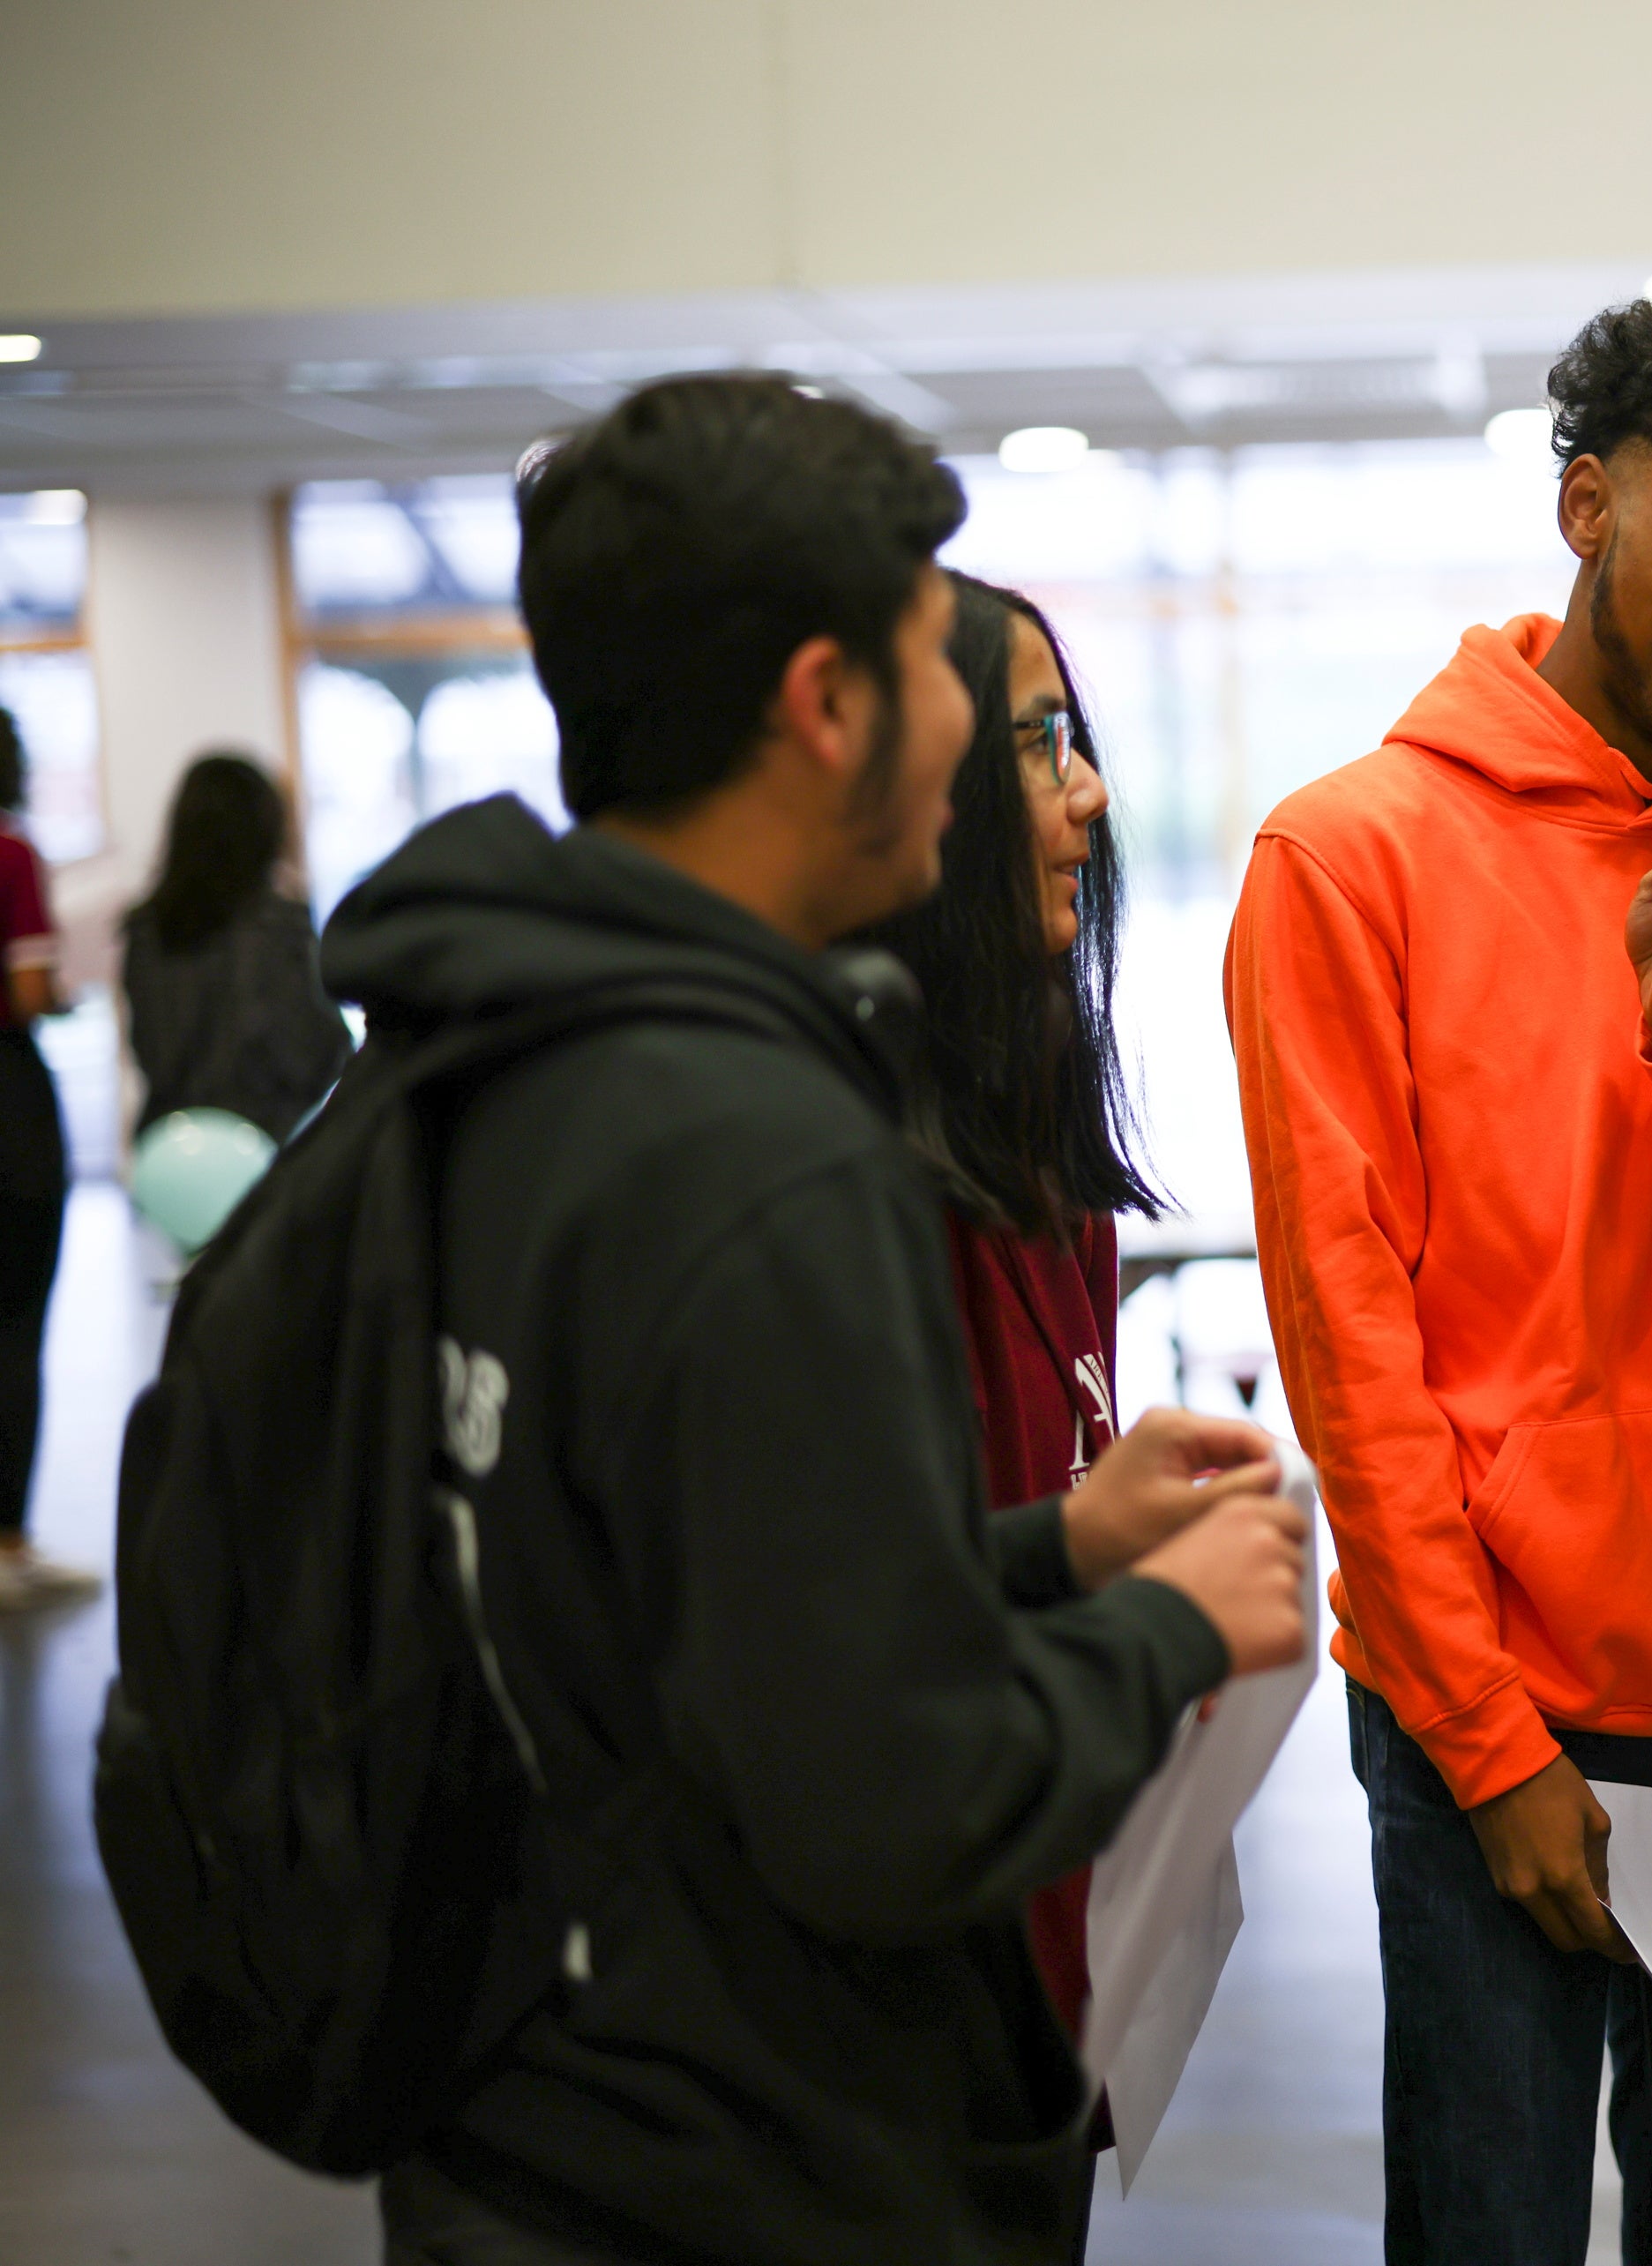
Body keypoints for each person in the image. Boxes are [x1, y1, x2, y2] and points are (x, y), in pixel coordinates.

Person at [318, 372, 1310, 2265]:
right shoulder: (766, 1157)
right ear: (831, 700)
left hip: (551, 2090)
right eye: (973, 699)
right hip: (748, 2132)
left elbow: (708, 1609)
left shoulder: (495, 1061)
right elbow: (882, 1791)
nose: (1042, 767)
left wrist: (1044, 1545)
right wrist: (1166, 1632)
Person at [1226, 291, 1652, 2266]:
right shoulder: (1349, 857)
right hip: (1491, 1696)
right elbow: (1356, 1354)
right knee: (1489, 2235)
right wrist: (1491, 1749)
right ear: (1588, 505)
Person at [848, 570, 1155, 2203]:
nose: (1089, 790)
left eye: (1073, 737)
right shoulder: (841, 1184)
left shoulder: (1038, 1130)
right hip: (904, 1984)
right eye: (1036, 745)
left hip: (1046, 1917)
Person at [119, 747, 352, 1141]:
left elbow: (151, 1057)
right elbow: (320, 1056)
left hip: (175, 1152)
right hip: (272, 1152)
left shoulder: (146, 932)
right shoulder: (281, 928)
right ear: (266, 829)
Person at [0, 706, 86, 1612]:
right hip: (9, 1107)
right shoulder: (11, 855)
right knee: (15, 1325)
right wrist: (58, 991)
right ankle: (8, 1541)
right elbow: (29, 991)